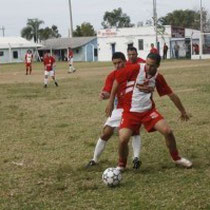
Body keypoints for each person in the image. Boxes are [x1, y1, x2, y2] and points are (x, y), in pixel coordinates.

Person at [106, 53, 192, 171]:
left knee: (168, 131)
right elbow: (116, 81)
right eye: (147, 64)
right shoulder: (135, 68)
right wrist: (110, 102)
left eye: (152, 66)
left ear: (158, 66)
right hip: (130, 112)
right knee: (123, 139)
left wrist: (183, 111)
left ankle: (177, 158)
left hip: (148, 111)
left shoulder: (158, 77)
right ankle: (121, 165)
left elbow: (171, 95)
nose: (148, 67)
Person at [86, 52, 148, 169]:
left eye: (119, 62)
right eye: (115, 63)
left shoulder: (134, 72)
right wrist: (104, 95)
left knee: (134, 131)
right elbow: (108, 91)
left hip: (134, 108)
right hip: (119, 108)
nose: (117, 65)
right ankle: (94, 159)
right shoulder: (112, 76)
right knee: (106, 132)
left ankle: (136, 159)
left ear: (125, 61)